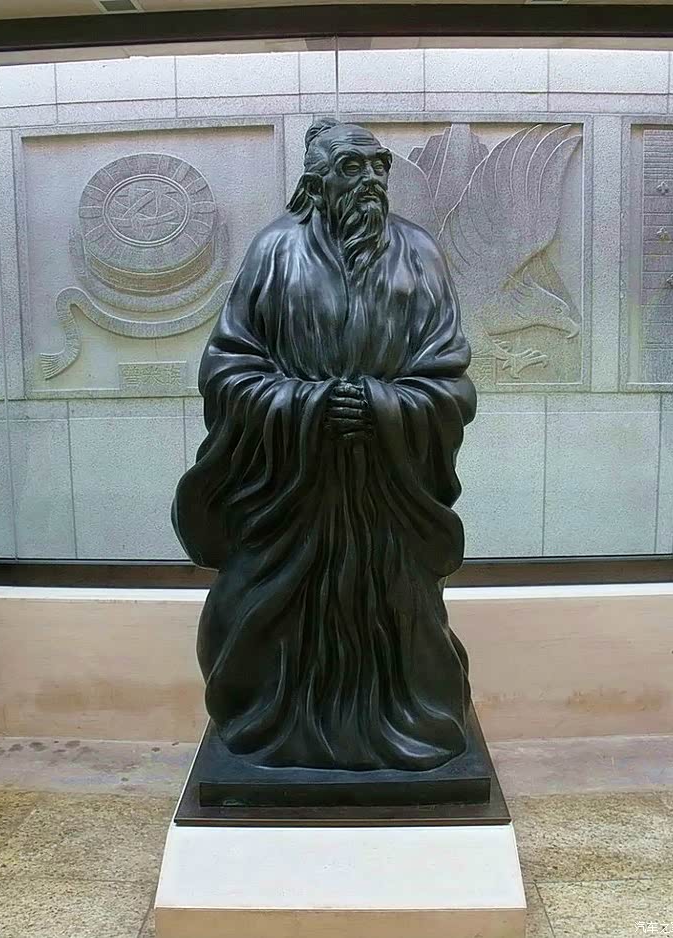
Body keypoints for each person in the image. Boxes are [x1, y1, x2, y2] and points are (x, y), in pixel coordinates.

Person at [172, 118, 477, 772]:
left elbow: (450, 380)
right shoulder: (274, 251)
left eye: (379, 166)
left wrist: (379, 405)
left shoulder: (419, 253)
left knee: (401, 614)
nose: (371, 181)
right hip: (293, 484)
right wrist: (308, 405)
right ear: (315, 185)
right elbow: (227, 367)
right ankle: (271, 721)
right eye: (352, 168)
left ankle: (403, 719)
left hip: (385, 487)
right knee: (258, 610)